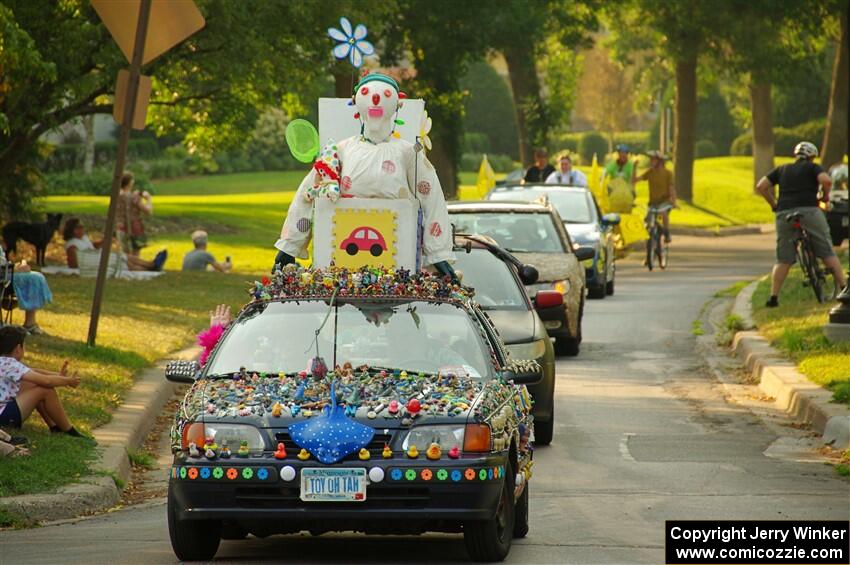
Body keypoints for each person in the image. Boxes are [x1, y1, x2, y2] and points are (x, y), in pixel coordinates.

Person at [274, 72, 455, 279]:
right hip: (339, 260)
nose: (376, 99)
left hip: (398, 257)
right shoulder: (339, 150)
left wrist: (438, 252)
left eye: (384, 94)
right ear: (356, 101)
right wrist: (290, 245)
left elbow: (431, 197)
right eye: (367, 93)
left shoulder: (408, 153)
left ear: (397, 104)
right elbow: (309, 193)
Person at [755, 141, 847, 307]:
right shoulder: (812, 167)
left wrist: (774, 204)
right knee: (826, 251)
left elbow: (761, 186)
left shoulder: (782, 169)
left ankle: (773, 298)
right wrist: (825, 197)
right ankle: (844, 288)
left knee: (783, 259)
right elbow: (826, 181)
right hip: (809, 210)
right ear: (812, 157)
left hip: (784, 213)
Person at [0, 326, 85, 437]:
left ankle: (54, 427)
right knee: (45, 390)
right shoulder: (11, 364)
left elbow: (33, 372)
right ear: (18, 348)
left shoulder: (4, 363)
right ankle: (69, 431)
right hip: (4, 417)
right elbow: (47, 381)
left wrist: (59, 376)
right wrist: (68, 381)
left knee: (33, 383)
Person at [62, 217, 167, 271]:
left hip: (98, 257)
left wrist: (104, 241)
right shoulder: (72, 245)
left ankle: (151, 265)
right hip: (93, 263)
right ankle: (148, 269)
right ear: (74, 230)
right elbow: (74, 265)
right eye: (80, 227)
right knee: (123, 262)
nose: (83, 229)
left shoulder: (83, 238)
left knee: (125, 256)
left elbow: (92, 246)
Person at [0, 246, 52, 335]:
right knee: (32, 278)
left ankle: (30, 323)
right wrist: (15, 269)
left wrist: (16, 267)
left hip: (5, 274)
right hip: (3, 277)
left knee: (35, 277)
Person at [636, 150, 677, 242]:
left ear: (660, 161)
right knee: (647, 220)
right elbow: (635, 180)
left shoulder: (668, 173)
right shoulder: (650, 172)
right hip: (653, 203)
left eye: (654, 160)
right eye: (651, 160)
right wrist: (635, 167)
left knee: (664, 214)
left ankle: (666, 233)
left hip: (664, 201)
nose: (651, 162)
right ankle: (651, 242)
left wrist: (674, 201)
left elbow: (671, 188)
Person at [116, 172, 152, 257]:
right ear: (130, 182)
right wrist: (148, 199)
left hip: (120, 228)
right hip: (134, 228)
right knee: (135, 255)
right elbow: (148, 211)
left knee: (125, 254)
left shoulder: (116, 196)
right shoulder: (134, 198)